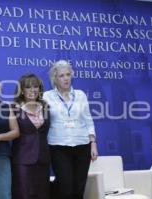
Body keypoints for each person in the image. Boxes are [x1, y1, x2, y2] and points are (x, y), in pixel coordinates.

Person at [43, 60, 98, 199]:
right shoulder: (47, 96)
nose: (66, 78)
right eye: (61, 75)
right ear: (55, 78)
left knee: (78, 188)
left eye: (68, 74)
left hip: (82, 145)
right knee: (65, 188)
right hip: (58, 146)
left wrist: (93, 143)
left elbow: (88, 120)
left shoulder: (80, 95)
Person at [12, 74, 51, 199]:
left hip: (43, 159)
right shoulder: (14, 109)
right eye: (28, 87)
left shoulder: (46, 108)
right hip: (22, 160)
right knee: (23, 194)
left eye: (36, 86)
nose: (33, 90)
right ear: (22, 90)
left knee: (43, 195)